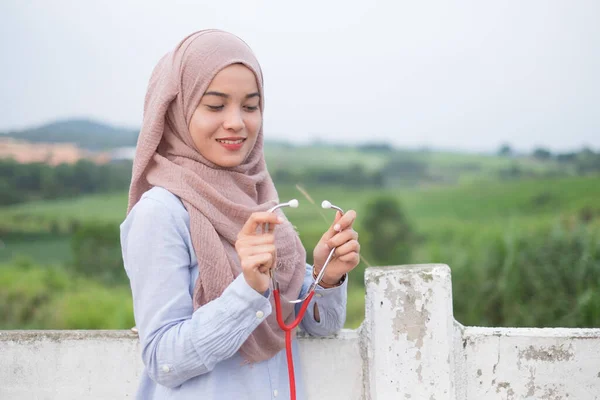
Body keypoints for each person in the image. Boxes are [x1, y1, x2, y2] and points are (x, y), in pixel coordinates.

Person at [120, 29, 360, 400]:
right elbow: (163, 359)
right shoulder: (161, 213)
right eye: (215, 106)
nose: (236, 122)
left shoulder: (258, 199)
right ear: (176, 111)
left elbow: (316, 329)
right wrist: (248, 290)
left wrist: (325, 279)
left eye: (250, 106)